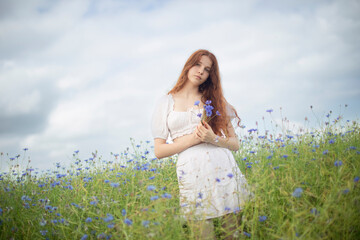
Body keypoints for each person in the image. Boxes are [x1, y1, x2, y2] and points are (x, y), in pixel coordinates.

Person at [151, 49, 252, 239]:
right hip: (191, 170)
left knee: (232, 233)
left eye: (207, 69)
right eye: (197, 65)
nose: (200, 71)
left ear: (209, 75)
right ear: (188, 66)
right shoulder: (166, 102)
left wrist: (212, 138)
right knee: (203, 233)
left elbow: (235, 143)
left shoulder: (214, 99)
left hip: (222, 166)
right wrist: (194, 139)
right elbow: (159, 150)